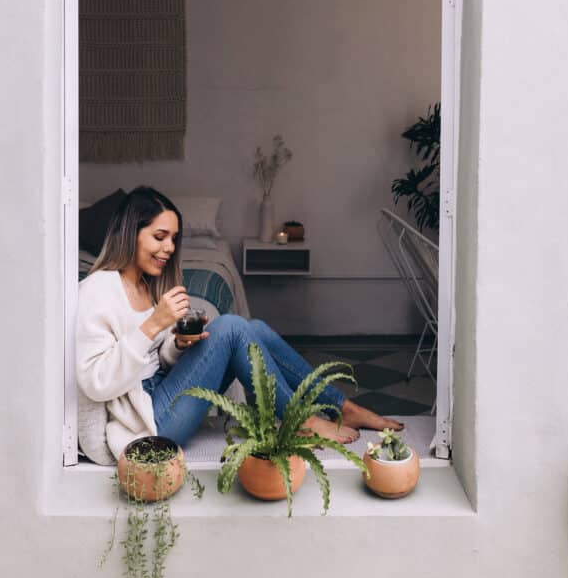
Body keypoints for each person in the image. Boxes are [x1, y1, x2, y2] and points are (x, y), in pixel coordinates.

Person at [76, 186, 403, 461]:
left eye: (174, 239)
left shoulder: (149, 286)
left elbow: (155, 360)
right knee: (231, 327)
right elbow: (96, 382)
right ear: (129, 233)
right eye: (159, 237)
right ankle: (302, 420)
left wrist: (177, 345)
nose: (169, 249)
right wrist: (152, 325)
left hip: (162, 391)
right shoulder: (98, 289)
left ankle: (341, 405)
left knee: (254, 328)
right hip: (147, 421)